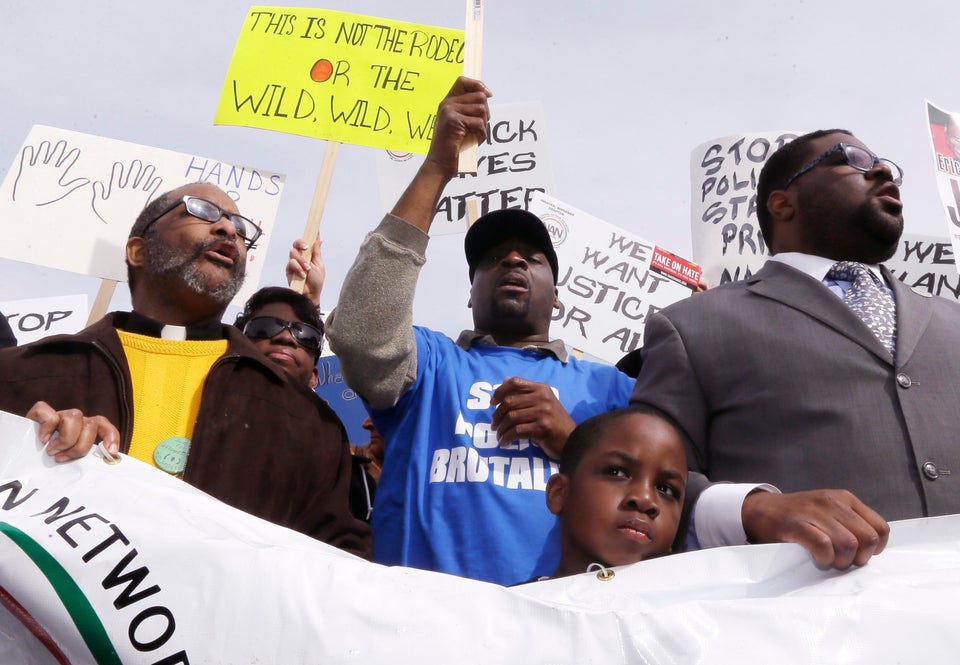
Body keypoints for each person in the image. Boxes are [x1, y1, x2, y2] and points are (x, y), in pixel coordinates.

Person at [631, 129, 960, 566]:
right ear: (783, 204)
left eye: (885, 164)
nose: (883, 170)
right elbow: (642, 478)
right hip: (810, 620)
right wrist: (753, 509)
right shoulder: (691, 327)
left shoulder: (953, 319)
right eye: (854, 159)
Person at [0, 182, 371, 558]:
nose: (228, 229)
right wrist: (20, 448)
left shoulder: (306, 420)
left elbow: (335, 570)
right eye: (202, 211)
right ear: (138, 251)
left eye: (241, 228)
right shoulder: (21, 377)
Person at [543, 406, 686, 580]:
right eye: (616, 472)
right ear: (559, 493)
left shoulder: (697, 607)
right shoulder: (506, 605)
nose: (645, 499)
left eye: (666, 489)